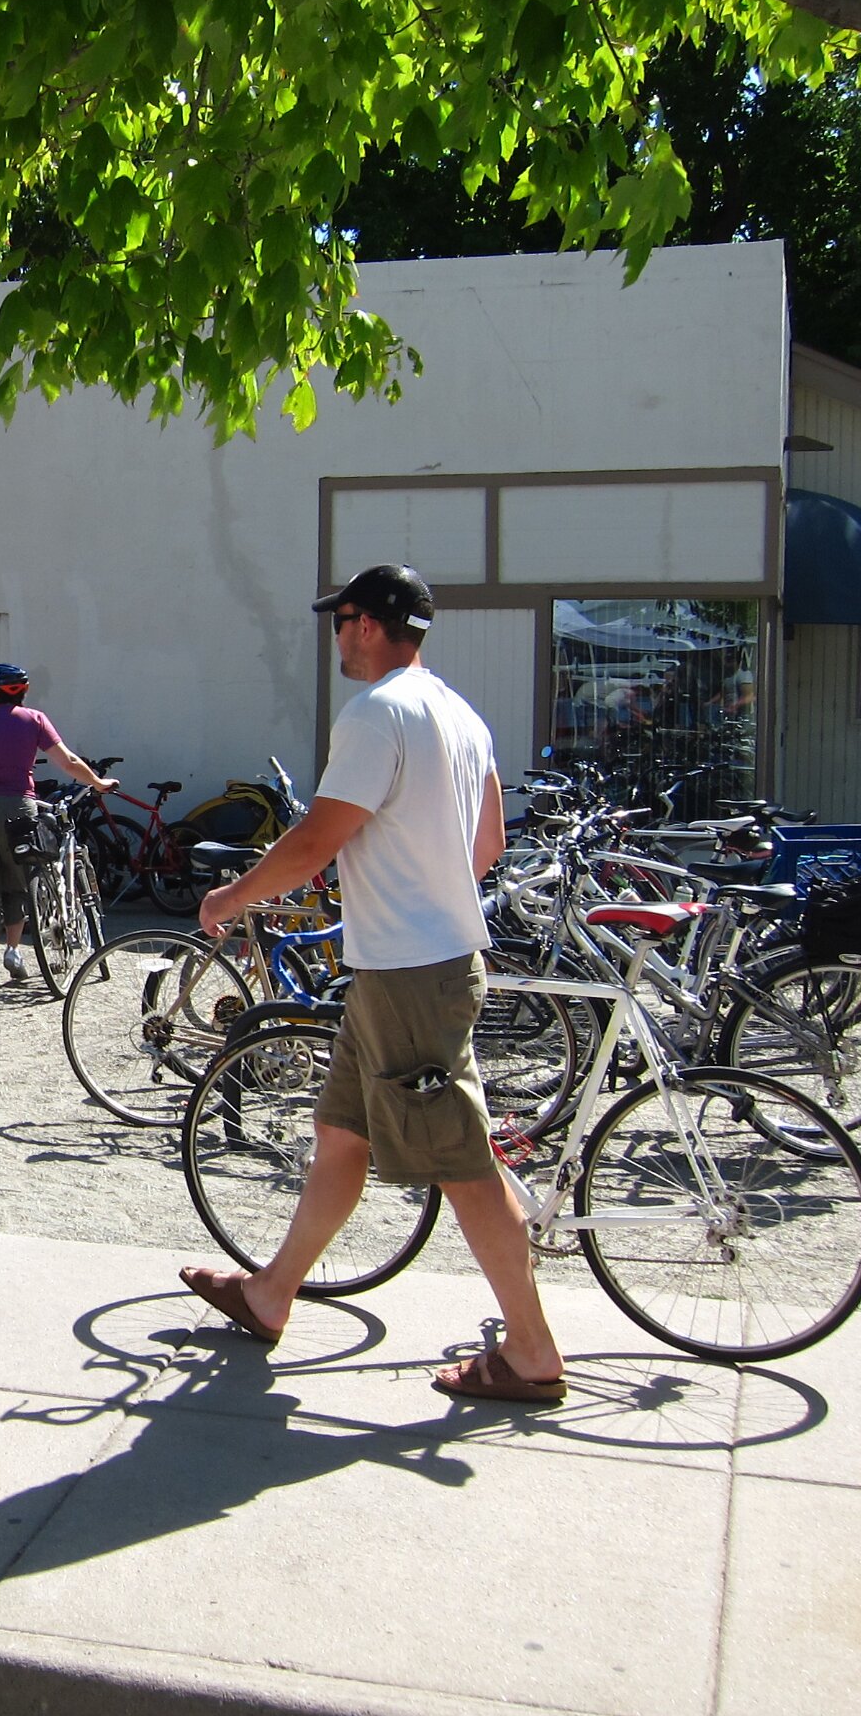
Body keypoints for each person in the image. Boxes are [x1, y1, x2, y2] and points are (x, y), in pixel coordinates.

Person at [176, 564, 568, 1406]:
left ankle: (532, 1351)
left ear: (364, 623)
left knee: (460, 1161)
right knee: (340, 1133)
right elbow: (488, 844)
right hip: (416, 964)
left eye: (338, 621)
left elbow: (315, 840)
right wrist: (425, 887)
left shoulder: (375, 713)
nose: (335, 638)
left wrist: (230, 896)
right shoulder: (460, 715)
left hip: (408, 973)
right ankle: (269, 1292)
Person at [0, 663, 117, 989]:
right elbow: (68, 761)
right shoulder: (35, 720)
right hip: (17, 807)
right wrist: (98, 783)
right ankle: (14, 952)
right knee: (19, 881)